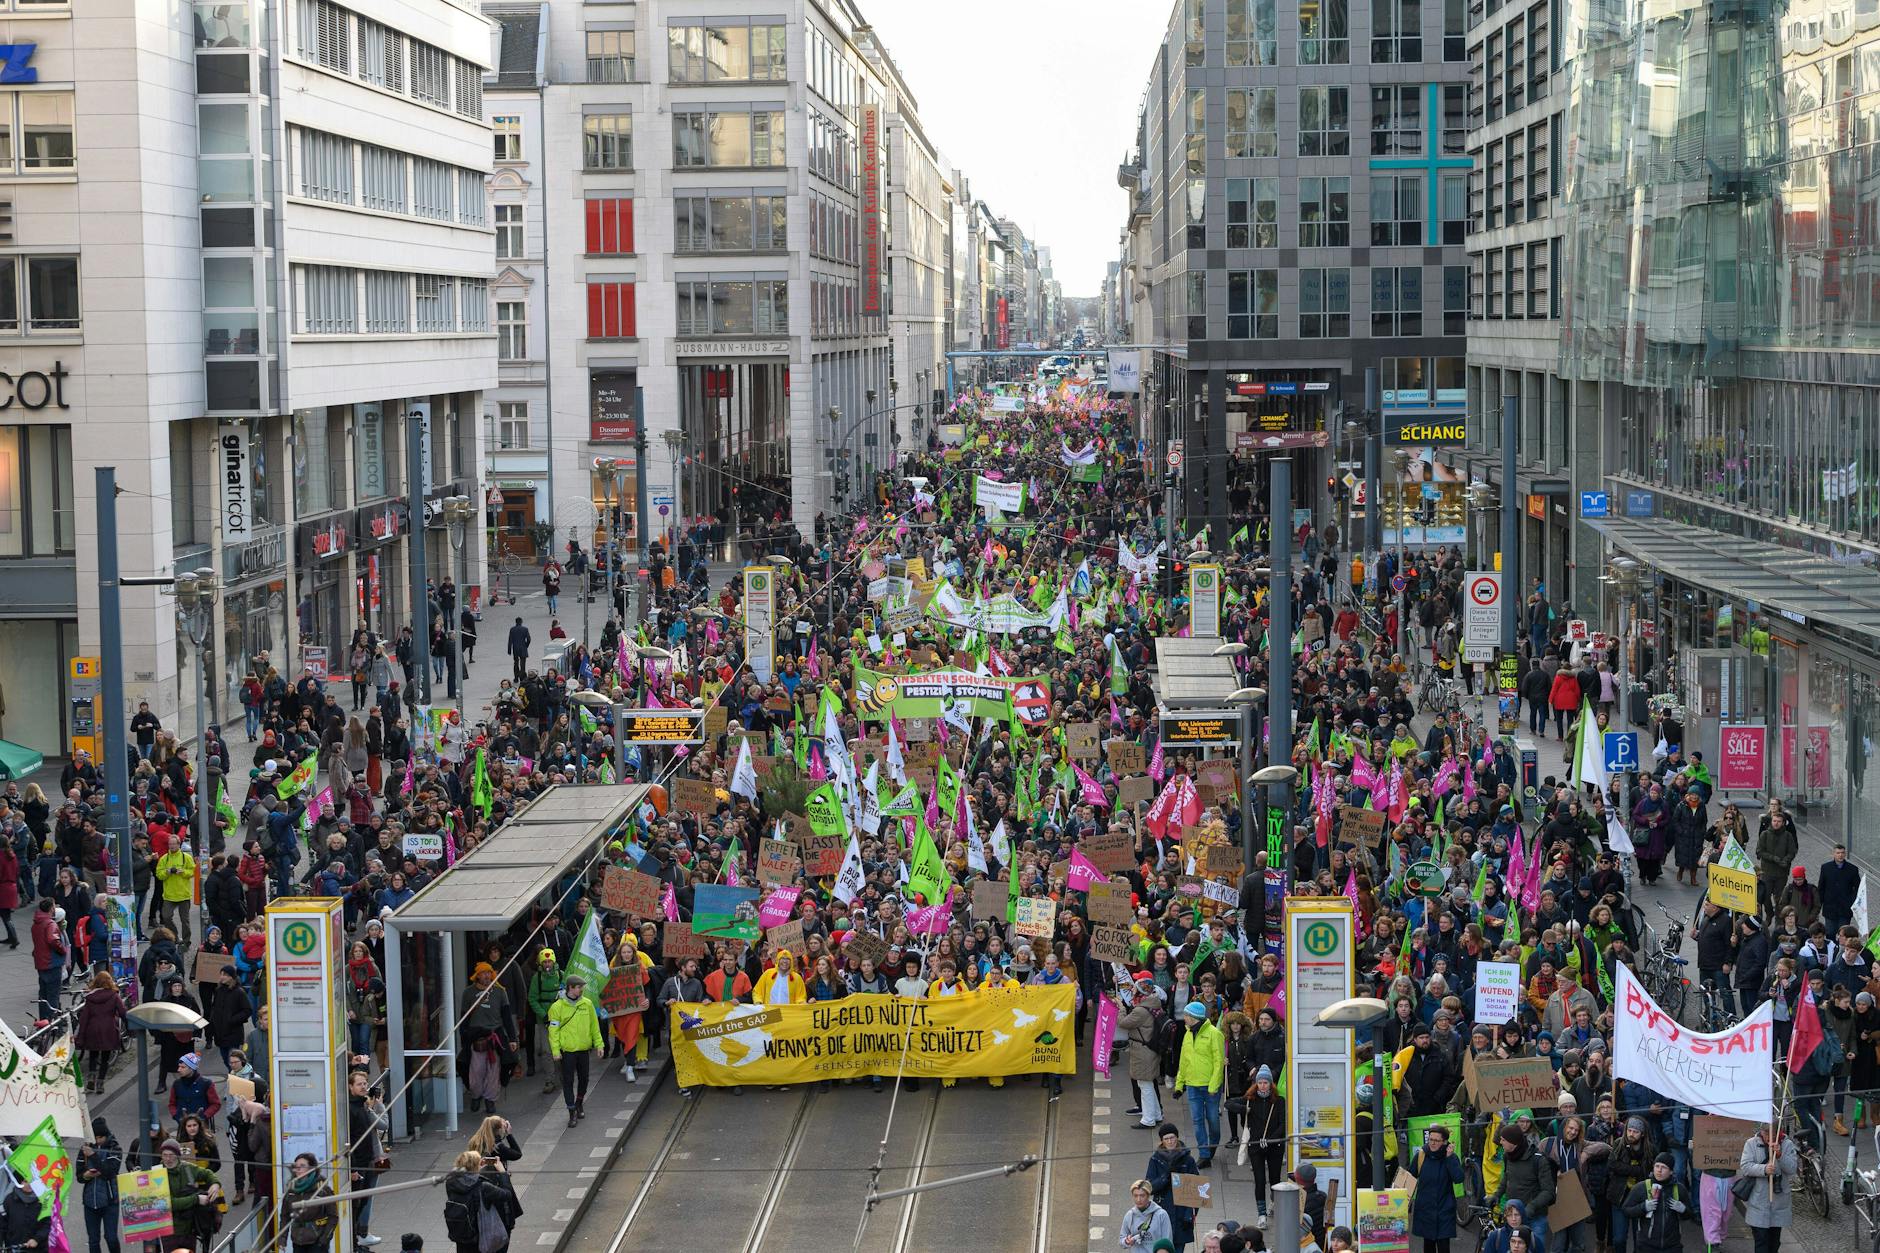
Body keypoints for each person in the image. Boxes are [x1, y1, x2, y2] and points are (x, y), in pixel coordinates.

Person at [1174, 1000, 1226, 1167]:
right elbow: (1184, 1061)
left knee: (1212, 1121)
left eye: (1186, 1015)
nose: (1184, 1018)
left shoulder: (1214, 1034)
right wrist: (1179, 1084)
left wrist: (1213, 1086)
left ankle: (1212, 1145)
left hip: (1209, 1087)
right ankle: (1204, 1154)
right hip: (1192, 1085)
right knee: (1197, 1120)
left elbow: (1219, 1062)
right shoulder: (1188, 1034)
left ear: (1194, 1017)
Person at [548, 974, 604, 1126]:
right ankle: (571, 1111)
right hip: (567, 1051)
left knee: (584, 1079)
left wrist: (599, 1044)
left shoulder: (587, 1004)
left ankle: (579, 1102)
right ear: (570, 988)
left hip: (583, 1049)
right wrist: (555, 1051)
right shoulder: (557, 1007)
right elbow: (553, 1031)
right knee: (568, 1081)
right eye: (579, 987)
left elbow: (594, 1026)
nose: (582, 990)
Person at [443, 1149, 521, 1253]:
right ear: (477, 1166)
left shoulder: (451, 1182)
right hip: (480, 1238)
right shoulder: (483, 1186)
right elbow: (507, 1194)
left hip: (463, 1236)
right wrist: (503, 1173)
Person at [1409, 1121, 1466, 1253]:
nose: (1433, 1143)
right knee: (1428, 1246)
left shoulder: (1451, 1157)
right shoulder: (1421, 1155)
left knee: (1443, 1246)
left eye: (1437, 1140)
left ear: (1445, 1142)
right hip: (1426, 1209)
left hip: (1444, 1209)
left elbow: (1459, 1178)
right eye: (1431, 1139)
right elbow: (1410, 1178)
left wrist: (1450, 1158)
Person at [1738, 1127, 1797, 1253]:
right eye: (1766, 1133)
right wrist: (1763, 1169)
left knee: (1774, 1243)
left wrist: (1780, 1155)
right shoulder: (1751, 1143)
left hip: (1779, 1202)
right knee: (1761, 1241)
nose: (1769, 1137)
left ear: (1779, 1132)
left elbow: (1792, 1169)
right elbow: (1745, 1166)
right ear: (1761, 1132)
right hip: (1758, 1201)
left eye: (1773, 1134)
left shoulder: (1787, 1144)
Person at [1146, 1123, 1201, 1252]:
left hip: (1182, 1214)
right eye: (1166, 1139)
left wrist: (1190, 1215)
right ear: (1162, 1141)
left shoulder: (1188, 1160)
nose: (1170, 1141)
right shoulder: (1155, 1160)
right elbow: (1150, 1187)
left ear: (1177, 1137)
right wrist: (1166, 1177)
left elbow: (1198, 1190)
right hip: (1162, 1211)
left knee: (1178, 1248)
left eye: (1172, 1137)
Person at [1622, 1153, 1690, 1253]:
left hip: (1672, 1246)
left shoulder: (1679, 1189)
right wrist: (1643, 1207)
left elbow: (1689, 1214)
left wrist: (1683, 1209)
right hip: (1646, 1246)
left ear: (1671, 1171)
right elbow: (1626, 1210)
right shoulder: (1641, 1187)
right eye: (1657, 1166)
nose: (1659, 1170)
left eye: (1664, 1167)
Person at [75, 1117, 122, 1253]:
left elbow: (109, 1172)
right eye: (94, 1137)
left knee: (111, 1237)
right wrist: (86, 1175)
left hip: (110, 1201)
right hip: (90, 1202)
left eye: (100, 1137)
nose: (97, 1141)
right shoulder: (84, 1149)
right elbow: (79, 1176)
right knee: (93, 1240)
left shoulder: (115, 1148)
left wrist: (93, 1156)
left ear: (105, 1136)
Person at [282, 1154, 339, 1253]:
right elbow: (285, 1216)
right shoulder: (291, 1190)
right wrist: (282, 1239)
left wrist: (325, 1238)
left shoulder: (322, 1189)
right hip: (297, 1240)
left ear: (311, 1168)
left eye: (302, 1165)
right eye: (296, 1166)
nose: (298, 1169)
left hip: (317, 1241)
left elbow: (333, 1216)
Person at [30, 895, 65, 1018]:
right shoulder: (50, 924)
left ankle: (43, 1022)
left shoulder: (36, 923)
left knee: (43, 995)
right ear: (51, 908)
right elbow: (52, 940)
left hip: (41, 963)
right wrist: (62, 950)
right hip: (52, 963)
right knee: (53, 995)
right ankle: (53, 1024)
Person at [1120, 1180, 1173, 1249]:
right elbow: (1122, 1239)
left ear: (1148, 1196)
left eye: (1142, 1196)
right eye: (1135, 1196)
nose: (1138, 1199)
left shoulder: (1162, 1215)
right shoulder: (1130, 1215)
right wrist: (1126, 1242)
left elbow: (1167, 1242)